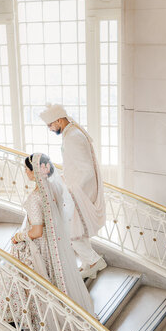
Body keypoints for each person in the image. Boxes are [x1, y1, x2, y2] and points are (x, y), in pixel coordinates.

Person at [0, 153, 94, 331]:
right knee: (53, 281)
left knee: (34, 282)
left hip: (40, 245)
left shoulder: (35, 198)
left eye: (27, 169)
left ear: (35, 172)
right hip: (52, 244)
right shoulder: (54, 189)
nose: (25, 172)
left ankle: (35, 321)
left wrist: (19, 236)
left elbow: (37, 230)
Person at [39, 103, 106, 279]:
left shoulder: (73, 137)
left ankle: (93, 261)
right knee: (77, 229)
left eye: (50, 125)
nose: (50, 129)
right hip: (76, 189)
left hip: (79, 192)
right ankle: (88, 263)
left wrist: (71, 191)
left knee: (69, 230)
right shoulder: (71, 133)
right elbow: (74, 165)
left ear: (59, 120)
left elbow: (86, 171)